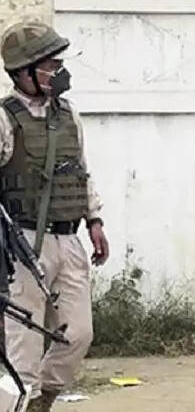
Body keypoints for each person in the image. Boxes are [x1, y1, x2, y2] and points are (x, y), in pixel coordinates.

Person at [0, 21, 109, 412]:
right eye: (51, 65)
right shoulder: (5, 119)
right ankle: (19, 402)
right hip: (24, 243)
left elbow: (81, 170)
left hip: (68, 238)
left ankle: (41, 399)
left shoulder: (68, 114)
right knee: (23, 344)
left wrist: (94, 220)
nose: (59, 72)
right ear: (24, 72)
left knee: (78, 334)